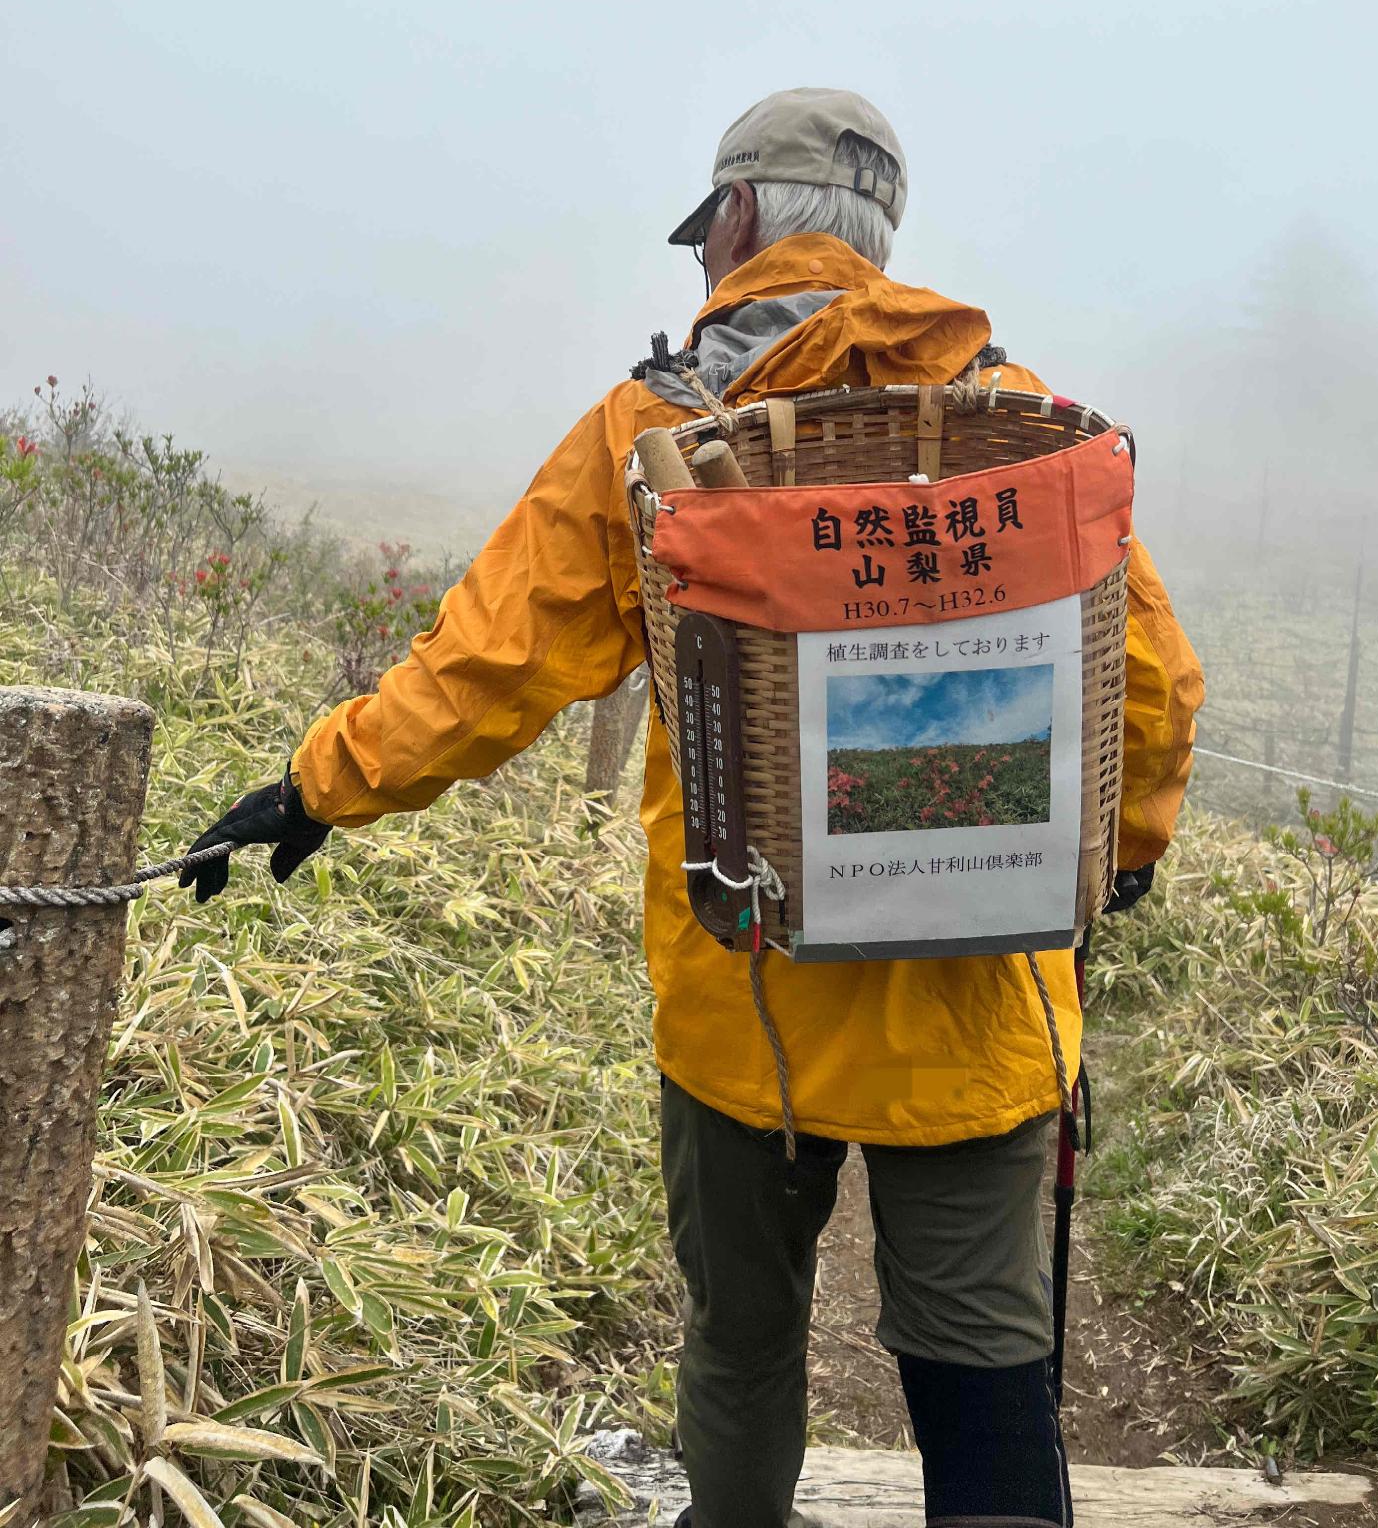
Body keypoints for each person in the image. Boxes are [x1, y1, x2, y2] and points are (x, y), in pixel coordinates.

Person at [186, 88, 1204, 1528]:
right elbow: (1149, 678)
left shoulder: (657, 431)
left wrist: (312, 789)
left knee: (740, 1350)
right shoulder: (1015, 426)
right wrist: (1127, 851)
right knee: (986, 1375)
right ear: (881, 232)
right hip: (982, 990)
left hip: (748, 1001)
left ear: (734, 221)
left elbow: (490, 664)